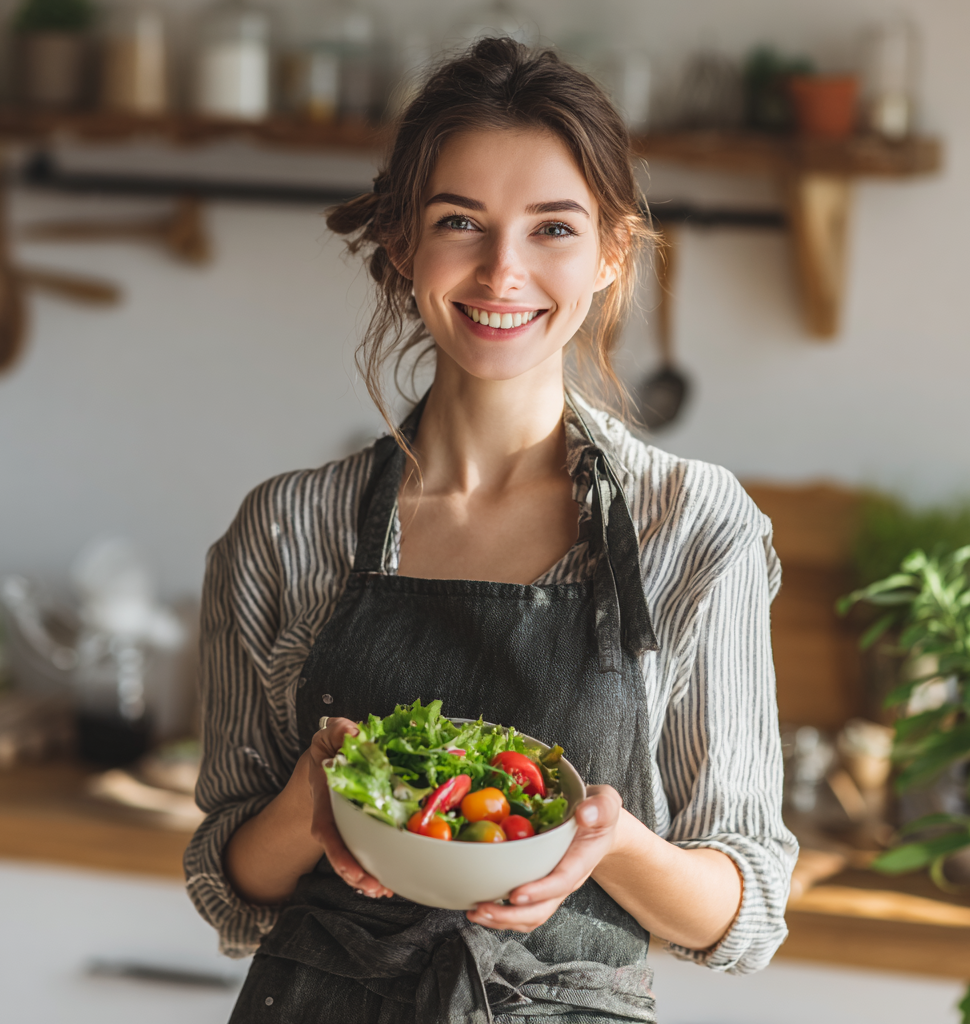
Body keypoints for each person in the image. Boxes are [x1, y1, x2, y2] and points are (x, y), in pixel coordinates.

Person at [184, 37, 797, 1024]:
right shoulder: (288, 528)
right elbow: (229, 883)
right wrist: (312, 803)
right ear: (402, 245)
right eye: (459, 221)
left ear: (609, 252)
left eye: (551, 228)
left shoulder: (690, 525)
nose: (501, 271)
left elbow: (744, 911)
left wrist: (614, 844)